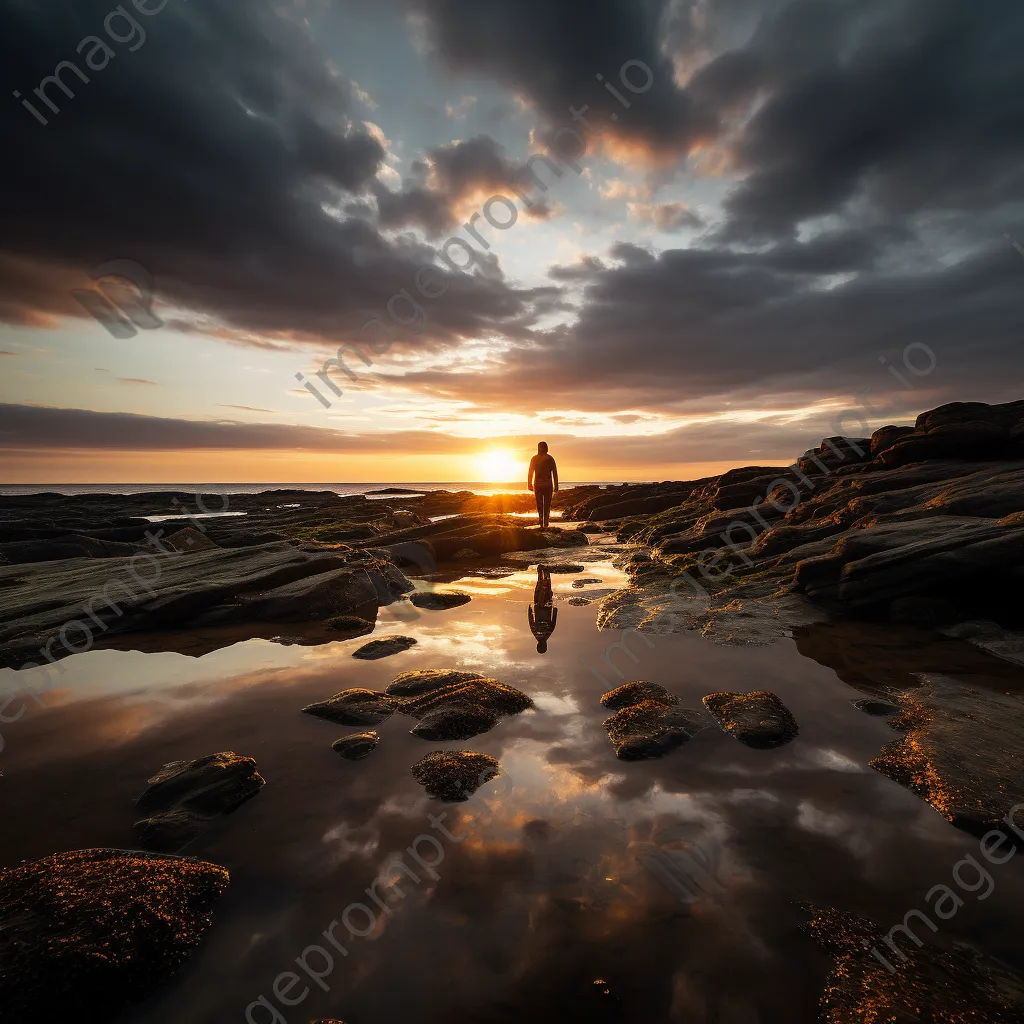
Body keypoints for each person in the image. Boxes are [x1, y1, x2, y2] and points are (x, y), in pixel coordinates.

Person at [527, 441, 559, 528]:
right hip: (548, 485)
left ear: (538, 448)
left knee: (540, 505)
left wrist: (529, 484)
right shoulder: (550, 458)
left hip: (538, 485)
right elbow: (555, 473)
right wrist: (556, 485)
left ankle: (541, 523)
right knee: (547, 506)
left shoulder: (534, 458)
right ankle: (545, 524)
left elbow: (530, 472)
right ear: (546, 448)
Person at [528, 566, 557, 653]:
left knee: (544, 589)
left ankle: (543, 572)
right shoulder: (540, 634)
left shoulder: (543, 634)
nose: (543, 644)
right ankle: (543, 572)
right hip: (542, 607)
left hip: (543, 607)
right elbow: (531, 621)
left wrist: (555, 611)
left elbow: (553, 623)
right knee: (545, 590)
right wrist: (530, 611)